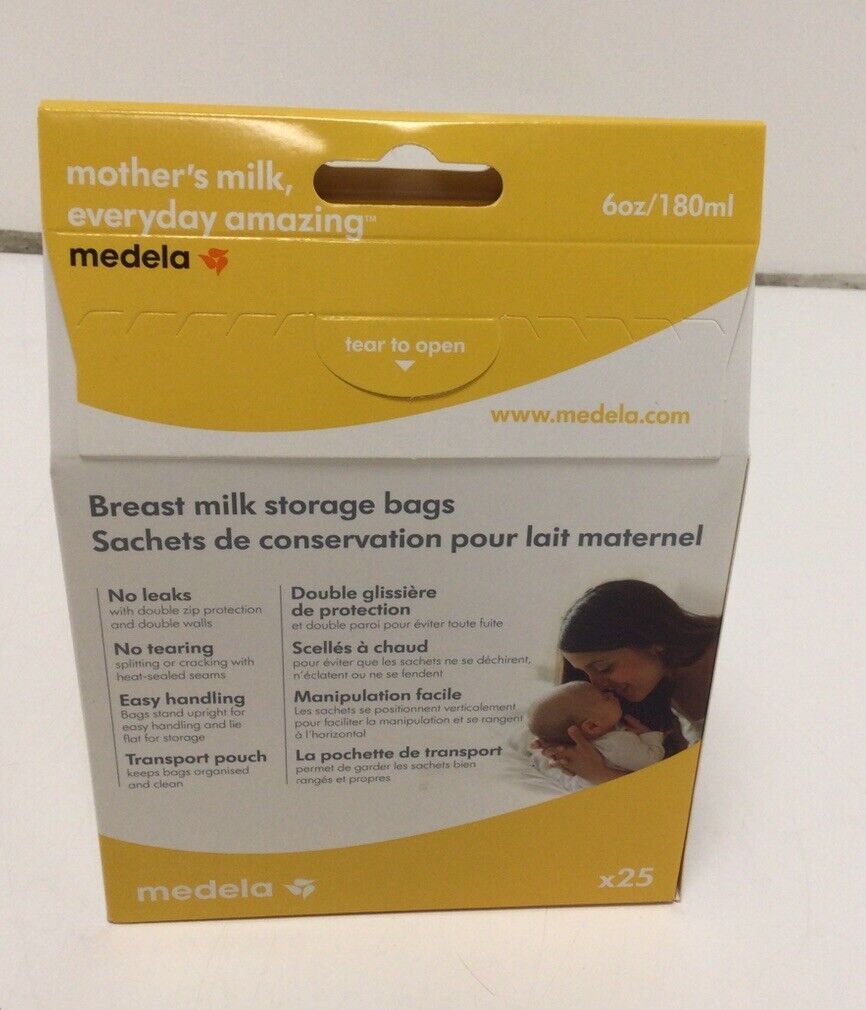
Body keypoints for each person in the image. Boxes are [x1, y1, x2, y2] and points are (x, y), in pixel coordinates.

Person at [537, 580, 720, 785]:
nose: (596, 684)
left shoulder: (732, 662)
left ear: (654, 641)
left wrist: (599, 773)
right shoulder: (659, 687)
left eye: (603, 668)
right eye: (585, 673)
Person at [528, 681, 665, 774]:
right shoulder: (615, 744)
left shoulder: (594, 739)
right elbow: (652, 761)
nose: (611, 694)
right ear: (592, 726)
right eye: (605, 698)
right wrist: (650, 735)